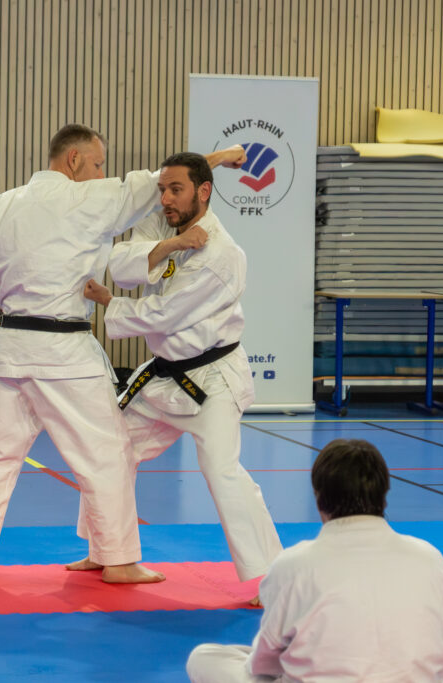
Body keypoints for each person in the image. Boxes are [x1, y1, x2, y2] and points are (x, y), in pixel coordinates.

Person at [0, 124, 246, 584]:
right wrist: (220, 157)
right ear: (74, 160)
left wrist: (14, 291)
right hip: (64, 351)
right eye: (99, 163)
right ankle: (118, 559)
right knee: (107, 451)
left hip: (11, 346)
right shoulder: (91, 198)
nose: (103, 172)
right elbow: (161, 181)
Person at [73, 152, 282, 597]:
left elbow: (165, 313)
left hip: (212, 380)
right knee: (111, 448)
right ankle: (108, 549)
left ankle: (271, 578)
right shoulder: (166, 223)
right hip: (165, 378)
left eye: (176, 190)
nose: (165, 199)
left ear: (203, 192)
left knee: (222, 472)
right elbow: (122, 262)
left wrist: (109, 302)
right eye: (163, 190)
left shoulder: (222, 254)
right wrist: (172, 244)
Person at [185, 438, 443, 682]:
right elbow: (437, 634)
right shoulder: (427, 557)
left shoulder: (293, 564)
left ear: (318, 497)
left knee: (205, 658)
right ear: (384, 493)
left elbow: (265, 663)